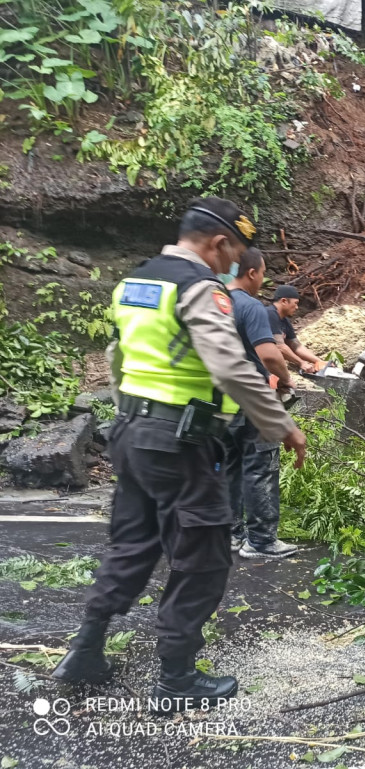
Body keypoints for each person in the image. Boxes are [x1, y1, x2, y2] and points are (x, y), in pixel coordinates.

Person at [51, 198, 307, 713]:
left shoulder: (137, 281)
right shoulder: (200, 288)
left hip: (132, 432)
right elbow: (232, 367)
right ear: (218, 244)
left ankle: (85, 650)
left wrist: (134, 418)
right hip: (183, 443)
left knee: (132, 543)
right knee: (203, 555)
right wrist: (282, 425)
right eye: (231, 253)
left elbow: (117, 358)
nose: (231, 265)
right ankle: (177, 678)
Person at [224, 247, 299, 559]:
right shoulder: (249, 306)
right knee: (261, 466)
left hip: (217, 399)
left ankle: (230, 534)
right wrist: (285, 379)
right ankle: (262, 541)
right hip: (251, 397)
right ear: (252, 273)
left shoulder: (212, 301)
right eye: (263, 273)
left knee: (228, 466)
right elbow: (269, 355)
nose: (262, 279)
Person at [267, 285, 327, 374]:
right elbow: (279, 347)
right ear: (284, 301)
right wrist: (301, 363)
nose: (297, 307)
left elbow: (296, 346)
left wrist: (318, 361)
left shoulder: (284, 320)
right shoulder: (270, 314)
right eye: (295, 303)